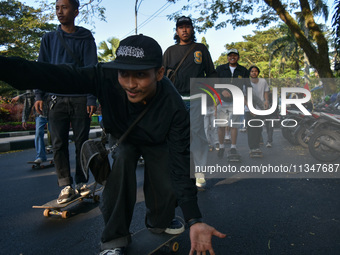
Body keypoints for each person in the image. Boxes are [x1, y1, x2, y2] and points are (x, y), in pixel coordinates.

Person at [0, 34, 226, 255]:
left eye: (140, 75)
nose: (130, 84)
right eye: (124, 74)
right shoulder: (104, 75)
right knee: (123, 160)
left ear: (158, 73)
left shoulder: (175, 106)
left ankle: (160, 220)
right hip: (123, 138)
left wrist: (194, 219)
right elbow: (56, 75)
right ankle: (113, 238)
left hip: (158, 141)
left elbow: (181, 162)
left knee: (164, 173)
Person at [34, 0, 98, 204]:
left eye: (64, 7)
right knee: (58, 143)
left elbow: (92, 68)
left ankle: (81, 182)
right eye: (57, 8)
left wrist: (91, 97)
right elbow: (41, 67)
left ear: (76, 11)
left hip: (80, 99)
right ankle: (65, 185)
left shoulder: (85, 37)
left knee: (82, 142)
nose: (59, 12)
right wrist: (38, 95)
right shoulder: (49, 38)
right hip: (55, 99)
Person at [163, 16, 217, 188]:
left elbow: (212, 73)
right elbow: (161, 77)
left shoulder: (200, 49)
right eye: (181, 27)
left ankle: (200, 172)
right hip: (175, 100)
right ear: (176, 31)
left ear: (192, 29)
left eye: (187, 27)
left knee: (198, 134)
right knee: (176, 135)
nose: (184, 30)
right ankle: (179, 170)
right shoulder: (169, 51)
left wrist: (211, 94)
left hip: (197, 98)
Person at [216, 48, 251, 159]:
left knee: (234, 126)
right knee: (221, 126)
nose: (232, 57)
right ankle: (221, 146)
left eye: (235, 55)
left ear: (238, 57)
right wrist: (222, 91)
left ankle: (233, 147)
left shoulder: (243, 70)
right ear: (227, 57)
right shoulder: (220, 69)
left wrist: (248, 101)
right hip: (222, 101)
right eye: (230, 55)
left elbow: (247, 85)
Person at [12, 90, 50, 162]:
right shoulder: (29, 91)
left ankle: (58, 154)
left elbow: (39, 92)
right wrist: (24, 119)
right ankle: (40, 156)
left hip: (52, 113)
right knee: (38, 133)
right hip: (40, 114)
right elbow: (27, 105)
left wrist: (20, 96)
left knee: (55, 134)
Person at [247, 65, 269, 155]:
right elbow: (245, 96)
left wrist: (266, 101)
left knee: (259, 128)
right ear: (249, 73)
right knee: (251, 129)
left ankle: (257, 147)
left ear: (258, 72)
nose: (253, 72)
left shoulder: (263, 81)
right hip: (249, 109)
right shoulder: (247, 82)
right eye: (252, 71)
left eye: (255, 71)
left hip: (260, 109)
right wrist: (250, 108)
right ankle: (252, 147)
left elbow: (266, 91)